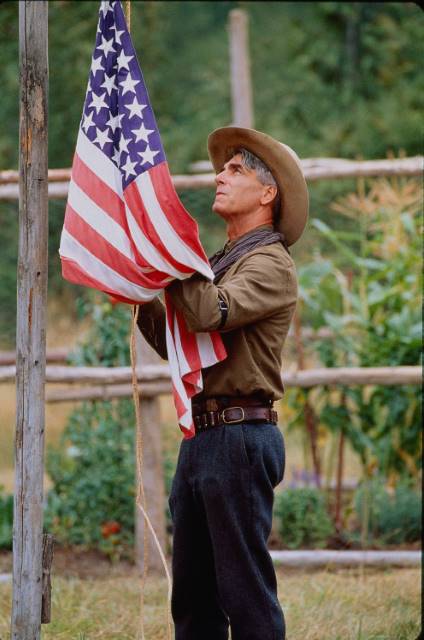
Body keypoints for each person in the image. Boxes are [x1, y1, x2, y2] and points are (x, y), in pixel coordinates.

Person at [137, 126, 308, 640]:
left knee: (245, 593)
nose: (219, 176)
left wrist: (171, 248)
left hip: (238, 436)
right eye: (224, 168)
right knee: (192, 597)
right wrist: (139, 291)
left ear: (267, 192)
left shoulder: (271, 264)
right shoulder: (220, 262)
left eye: (235, 170)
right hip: (207, 435)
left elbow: (208, 313)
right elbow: (180, 343)